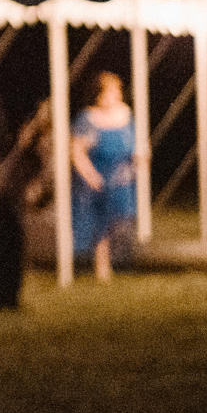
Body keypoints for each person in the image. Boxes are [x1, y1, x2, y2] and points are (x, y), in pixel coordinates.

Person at [0, 95, 45, 310]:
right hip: (3, 196)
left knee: (10, 244)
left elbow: (34, 165)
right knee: (1, 244)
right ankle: (1, 294)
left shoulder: (23, 146)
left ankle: (9, 295)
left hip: (11, 196)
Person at [71, 72, 137, 282]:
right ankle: (102, 268)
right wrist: (90, 175)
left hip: (122, 178)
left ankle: (119, 261)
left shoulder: (125, 115)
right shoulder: (87, 118)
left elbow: (135, 144)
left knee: (120, 220)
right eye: (110, 91)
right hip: (98, 176)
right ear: (99, 95)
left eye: (117, 91)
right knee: (100, 224)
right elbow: (76, 150)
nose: (115, 95)